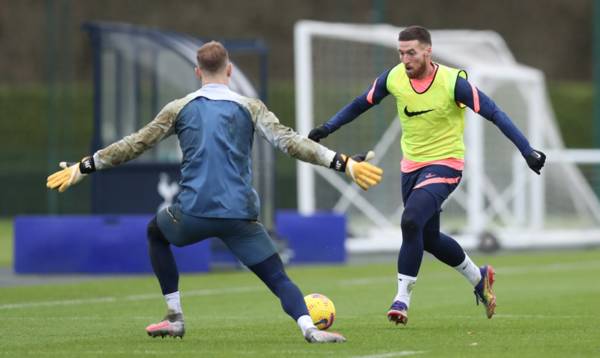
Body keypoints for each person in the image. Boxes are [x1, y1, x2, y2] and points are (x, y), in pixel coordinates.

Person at [46, 41, 384, 342]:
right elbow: (290, 142)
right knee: (278, 276)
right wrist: (342, 163)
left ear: (197, 71)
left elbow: (135, 144)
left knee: (155, 232)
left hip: (192, 214)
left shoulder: (178, 108)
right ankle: (310, 329)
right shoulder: (251, 107)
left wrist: (85, 166)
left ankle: (175, 317)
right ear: (230, 70)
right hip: (240, 217)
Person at [308, 26, 546, 325]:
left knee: (410, 220)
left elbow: (495, 112)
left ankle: (401, 300)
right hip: (411, 169)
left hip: (446, 165)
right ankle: (479, 277)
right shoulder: (393, 77)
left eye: (411, 53)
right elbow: (360, 103)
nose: (405, 59)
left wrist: (527, 150)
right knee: (428, 237)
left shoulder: (452, 82)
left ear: (427, 52)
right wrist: (327, 128)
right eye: (401, 52)